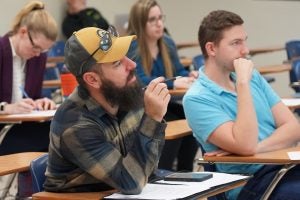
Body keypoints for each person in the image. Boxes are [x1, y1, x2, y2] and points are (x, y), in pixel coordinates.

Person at [183, 10, 300, 200]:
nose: (245, 50)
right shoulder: (196, 98)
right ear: (211, 49)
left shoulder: (252, 76)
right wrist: (243, 84)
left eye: (244, 40)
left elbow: (294, 128)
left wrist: (258, 148)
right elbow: (245, 144)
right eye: (236, 43)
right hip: (251, 183)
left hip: (284, 167)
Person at [44, 26, 170, 194]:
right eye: (117, 63)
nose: (132, 65)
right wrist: (153, 117)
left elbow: (147, 167)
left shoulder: (126, 96)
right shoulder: (74, 124)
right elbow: (131, 183)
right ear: (92, 79)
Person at [126, 0, 199, 172]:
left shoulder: (166, 42)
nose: (159, 23)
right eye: (152, 20)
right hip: (142, 107)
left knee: (191, 119)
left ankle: (185, 171)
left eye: (160, 18)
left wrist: (189, 76)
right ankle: (162, 171)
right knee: (171, 124)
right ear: (139, 23)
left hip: (167, 103)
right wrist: (173, 82)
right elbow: (140, 80)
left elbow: (179, 69)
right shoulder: (132, 46)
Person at [0, 0, 58, 155]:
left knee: (60, 133)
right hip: (3, 129)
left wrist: (40, 102)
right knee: (55, 139)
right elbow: (9, 107)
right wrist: (6, 108)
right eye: (36, 47)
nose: (38, 54)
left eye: (44, 50)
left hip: (22, 127)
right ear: (23, 32)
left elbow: (32, 97)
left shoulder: (38, 57)